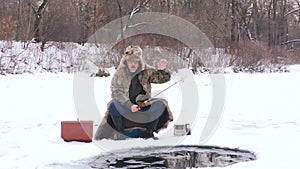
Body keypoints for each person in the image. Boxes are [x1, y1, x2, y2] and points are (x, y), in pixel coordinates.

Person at [95, 45, 173, 140]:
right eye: (130, 62)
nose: (133, 65)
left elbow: (160, 79)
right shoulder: (119, 74)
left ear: (139, 63)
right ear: (126, 62)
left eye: (135, 62)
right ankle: (121, 133)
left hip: (143, 105)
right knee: (113, 105)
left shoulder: (146, 70)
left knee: (161, 104)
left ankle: (149, 133)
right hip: (124, 105)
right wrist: (129, 105)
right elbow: (116, 92)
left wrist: (162, 70)